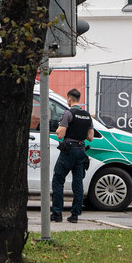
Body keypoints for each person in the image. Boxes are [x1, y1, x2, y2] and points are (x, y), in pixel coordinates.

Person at [51, 88, 94, 223]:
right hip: (81, 150)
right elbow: (90, 137)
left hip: (68, 151)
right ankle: (74, 215)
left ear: (69, 98)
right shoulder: (87, 116)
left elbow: (60, 134)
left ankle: (57, 214)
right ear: (79, 99)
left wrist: (59, 127)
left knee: (58, 180)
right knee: (78, 183)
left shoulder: (68, 113)